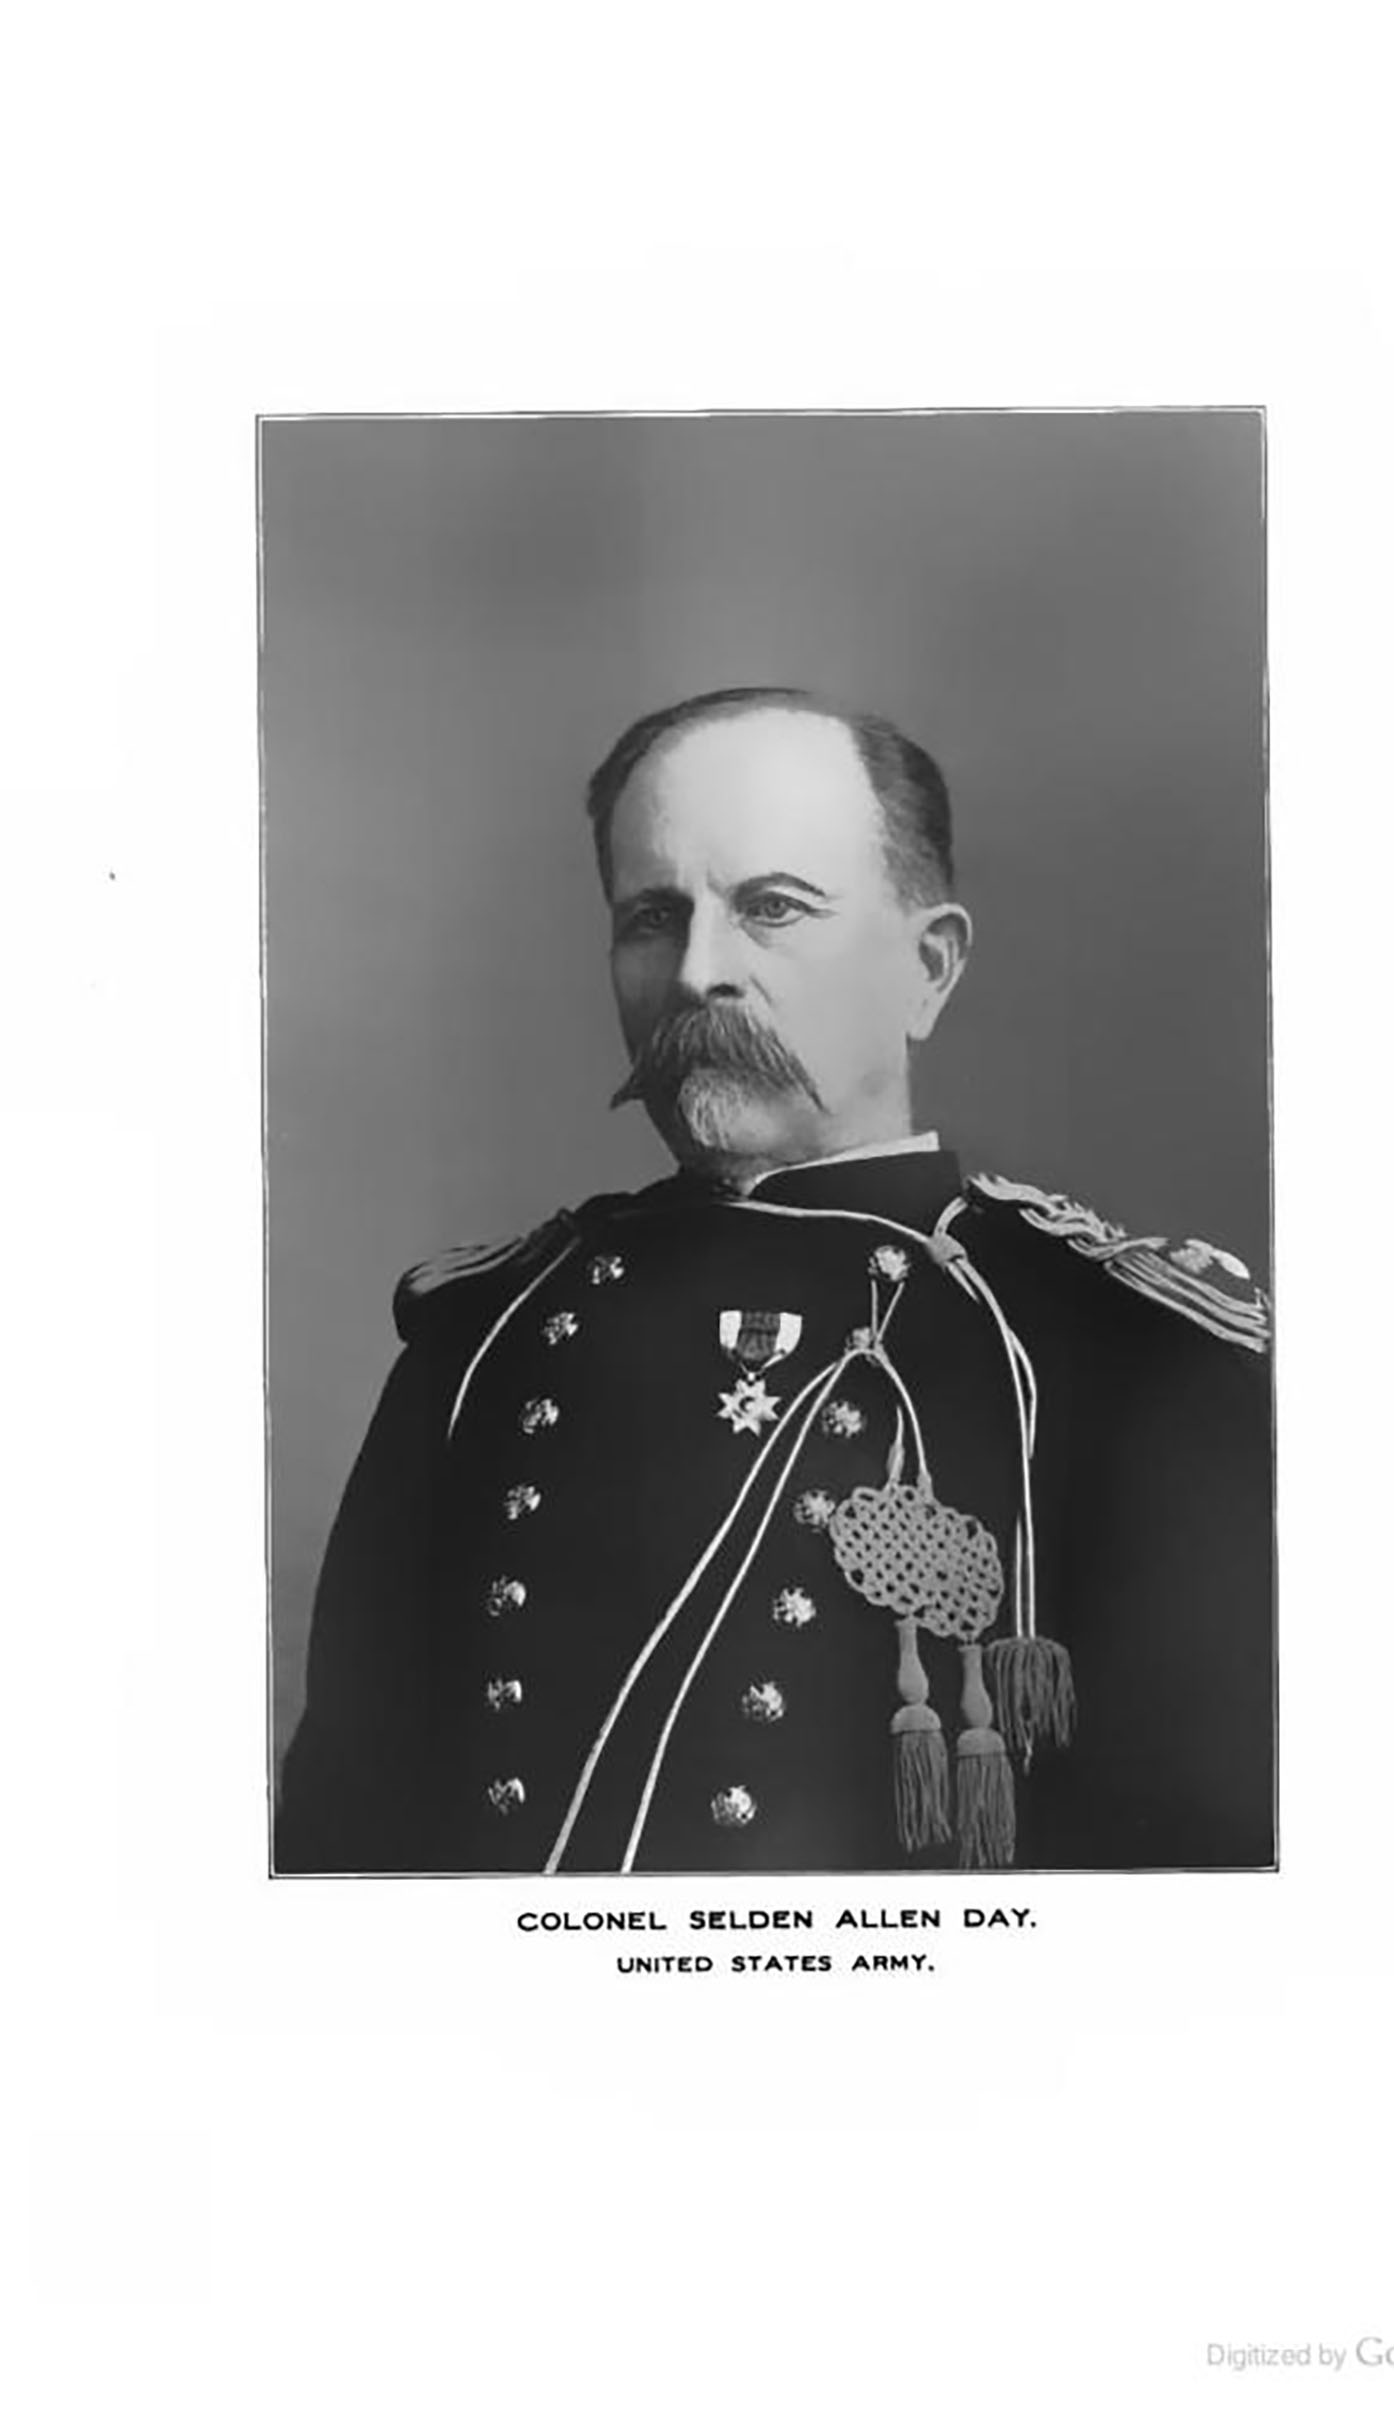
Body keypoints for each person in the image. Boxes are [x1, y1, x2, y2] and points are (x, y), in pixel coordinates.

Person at [275, 686, 1273, 1877]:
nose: (698, 972)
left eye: (773, 908)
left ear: (929, 967)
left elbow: (1207, 1882)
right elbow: (343, 1844)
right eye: (653, 917)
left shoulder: (1125, 1350)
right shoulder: (483, 1336)